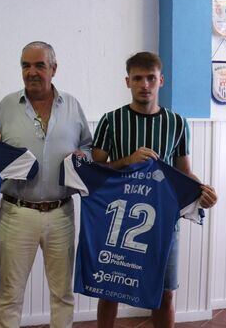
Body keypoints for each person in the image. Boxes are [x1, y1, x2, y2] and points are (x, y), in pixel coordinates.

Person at [93, 51, 217, 328]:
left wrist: (202, 191)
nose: (144, 84)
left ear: (162, 80)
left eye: (151, 78)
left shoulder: (177, 123)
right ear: (127, 82)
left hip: (163, 220)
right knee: (110, 289)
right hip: (118, 219)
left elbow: (183, 173)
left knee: (165, 292)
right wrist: (127, 160)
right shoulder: (111, 121)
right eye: (138, 78)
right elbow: (96, 172)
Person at [0, 41, 92, 328]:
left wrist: (81, 155)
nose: (32, 72)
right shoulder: (6, 106)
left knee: (62, 294)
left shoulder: (72, 106)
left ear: (54, 69)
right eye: (26, 65)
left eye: (39, 65)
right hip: (16, 212)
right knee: (10, 296)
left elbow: (87, 145)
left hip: (61, 212)